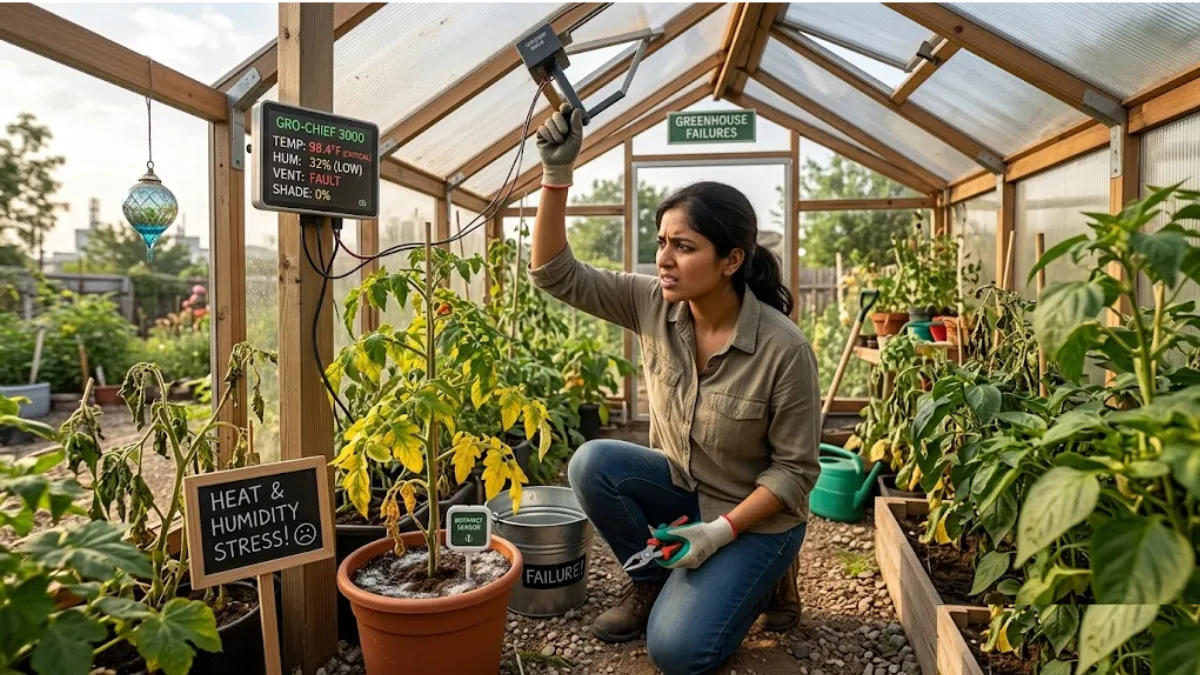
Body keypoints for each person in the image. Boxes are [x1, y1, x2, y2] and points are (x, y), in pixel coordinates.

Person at [526, 104, 821, 675]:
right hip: (685, 488)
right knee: (591, 462)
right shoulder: (653, 304)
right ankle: (653, 580)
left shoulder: (784, 350)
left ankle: (768, 578)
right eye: (662, 241)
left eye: (684, 246)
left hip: (756, 517)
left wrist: (717, 534)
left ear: (732, 260)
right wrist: (555, 174)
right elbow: (554, 273)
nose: (664, 259)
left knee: (678, 652)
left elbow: (794, 474)